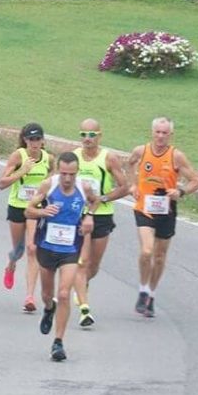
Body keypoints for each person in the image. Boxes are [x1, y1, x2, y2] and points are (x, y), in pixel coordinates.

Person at [128, 117, 198, 318]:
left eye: (164, 133)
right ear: (152, 132)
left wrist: (181, 191)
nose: (160, 136)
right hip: (144, 208)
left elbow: (196, 180)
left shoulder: (176, 156)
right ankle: (142, 290)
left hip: (166, 211)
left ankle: (151, 294)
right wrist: (133, 184)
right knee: (146, 250)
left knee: (159, 257)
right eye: (157, 132)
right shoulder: (141, 151)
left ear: (170, 135)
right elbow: (130, 163)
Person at [25, 153, 95, 361]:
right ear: (58, 171)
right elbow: (28, 211)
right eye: (63, 173)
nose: (67, 179)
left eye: (71, 175)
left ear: (77, 172)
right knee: (48, 295)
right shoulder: (48, 185)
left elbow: (96, 201)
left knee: (64, 293)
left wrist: (90, 217)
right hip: (46, 247)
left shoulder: (84, 188)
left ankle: (58, 342)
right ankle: (49, 308)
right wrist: (43, 212)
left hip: (70, 249)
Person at [72, 118, 129, 327]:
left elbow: (125, 187)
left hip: (102, 215)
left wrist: (102, 198)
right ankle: (84, 309)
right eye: (83, 135)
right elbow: (62, 180)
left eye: (91, 135)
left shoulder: (108, 158)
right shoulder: (74, 157)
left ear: (99, 136)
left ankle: (84, 283)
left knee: (93, 265)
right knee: (82, 261)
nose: (87, 139)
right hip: (79, 214)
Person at [0, 122, 54, 312]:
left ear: (43, 141)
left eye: (38, 139)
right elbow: (2, 183)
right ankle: (11, 264)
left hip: (35, 209)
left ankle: (29, 297)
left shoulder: (48, 159)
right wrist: (22, 171)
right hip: (17, 207)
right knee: (19, 250)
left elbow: (53, 183)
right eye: (31, 139)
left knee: (32, 248)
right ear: (25, 140)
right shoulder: (18, 156)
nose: (34, 143)